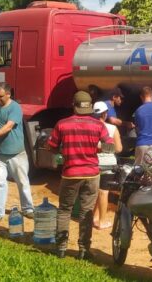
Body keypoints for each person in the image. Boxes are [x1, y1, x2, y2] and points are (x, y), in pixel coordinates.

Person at [45, 91, 112, 260]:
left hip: (70, 174)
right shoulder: (98, 125)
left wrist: (63, 150)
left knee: (64, 210)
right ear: (89, 106)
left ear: (73, 105)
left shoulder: (62, 124)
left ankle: (61, 248)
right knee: (86, 212)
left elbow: (50, 146)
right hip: (92, 174)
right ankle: (83, 249)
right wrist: (94, 148)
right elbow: (109, 146)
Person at [0, 83, 34, 223]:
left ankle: (28, 209)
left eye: (1, 96)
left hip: (17, 153)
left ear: (9, 94)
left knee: (22, 181)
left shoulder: (15, 107)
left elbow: (8, 127)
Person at [92, 101, 122, 230]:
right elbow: (119, 148)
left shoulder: (89, 127)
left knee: (94, 192)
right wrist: (105, 147)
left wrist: (98, 146)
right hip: (108, 164)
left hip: (92, 163)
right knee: (104, 192)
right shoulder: (112, 128)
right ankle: (102, 221)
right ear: (105, 114)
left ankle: (94, 217)